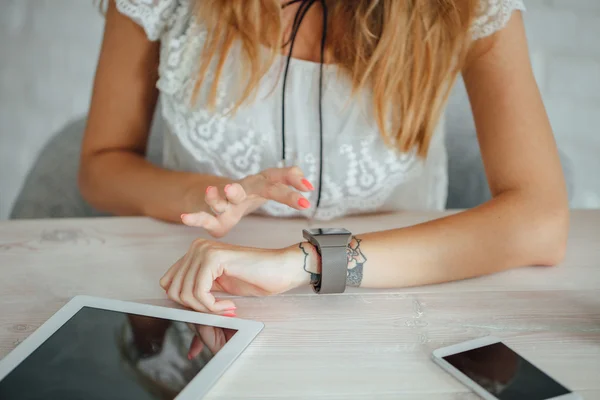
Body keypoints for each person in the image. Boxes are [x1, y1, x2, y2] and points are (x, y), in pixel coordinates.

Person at [80, 0, 569, 315]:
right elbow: (101, 164)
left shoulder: (472, 7)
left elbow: (541, 221)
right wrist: (205, 196)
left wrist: (309, 262)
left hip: (407, 299)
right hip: (200, 295)